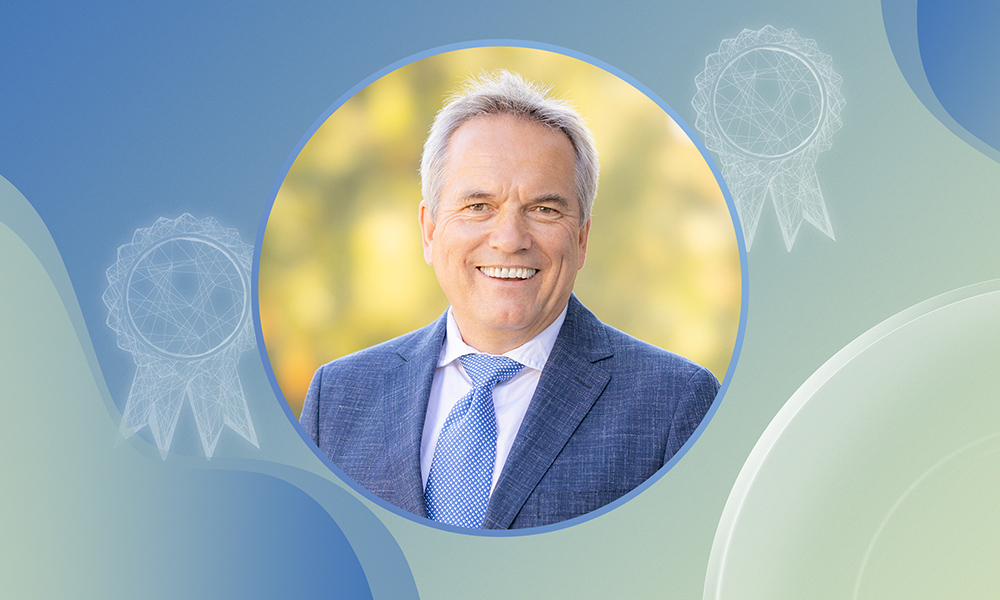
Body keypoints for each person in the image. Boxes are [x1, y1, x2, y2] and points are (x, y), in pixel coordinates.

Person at [301, 70, 720, 529]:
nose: (509, 238)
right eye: (478, 206)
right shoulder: (337, 399)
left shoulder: (676, 404)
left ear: (581, 239)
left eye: (543, 209)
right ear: (430, 229)